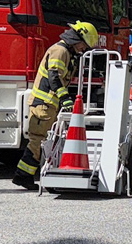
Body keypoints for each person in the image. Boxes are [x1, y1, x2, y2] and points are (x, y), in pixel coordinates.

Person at [12, 21, 99, 190]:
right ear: (78, 39)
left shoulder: (66, 52)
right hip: (43, 105)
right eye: (84, 46)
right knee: (39, 142)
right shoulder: (60, 51)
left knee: (44, 142)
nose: (83, 50)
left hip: (47, 105)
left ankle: (26, 175)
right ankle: (22, 176)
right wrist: (65, 98)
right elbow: (54, 77)